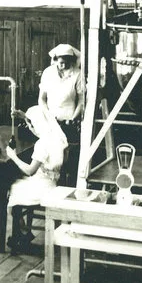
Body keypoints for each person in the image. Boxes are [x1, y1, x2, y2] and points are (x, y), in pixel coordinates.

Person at [4, 105, 68, 253]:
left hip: (42, 187)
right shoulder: (58, 137)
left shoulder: (42, 144)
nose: (30, 128)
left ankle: (22, 235)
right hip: (53, 183)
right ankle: (24, 234)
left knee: (12, 193)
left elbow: (30, 171)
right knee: (17, 186)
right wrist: (25, 116)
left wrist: (13, 156)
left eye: (30, 125)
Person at [39, 43, 84, 185]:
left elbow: (82, 101)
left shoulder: (77, 74)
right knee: (51, 158)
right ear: (55, 60)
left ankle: (67, 187)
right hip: (50, 122)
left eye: (66, 63)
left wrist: (73, 117)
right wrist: (47, 115)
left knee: (67, 159)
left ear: (72, 61)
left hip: (69, 123)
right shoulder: (48, 73)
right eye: (60, 63)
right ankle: (52, 186)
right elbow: (42, 99)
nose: (62, 66)